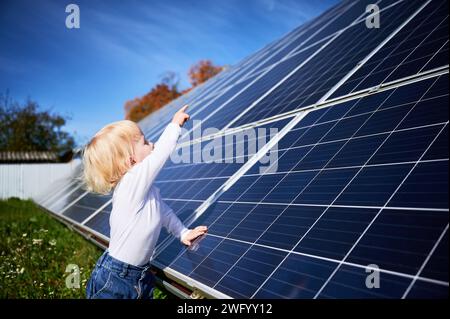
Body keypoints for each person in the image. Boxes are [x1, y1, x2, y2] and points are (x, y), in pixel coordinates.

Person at [82, 105, 207, 299]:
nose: (153, 144)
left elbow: (163, 213)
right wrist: (174, 125)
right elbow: (159, 155)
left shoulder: (145, 192)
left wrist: (183, 232)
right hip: (115, 277)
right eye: (145, 142)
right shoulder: (130, 184)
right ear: (130, 160)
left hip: (138, 275)